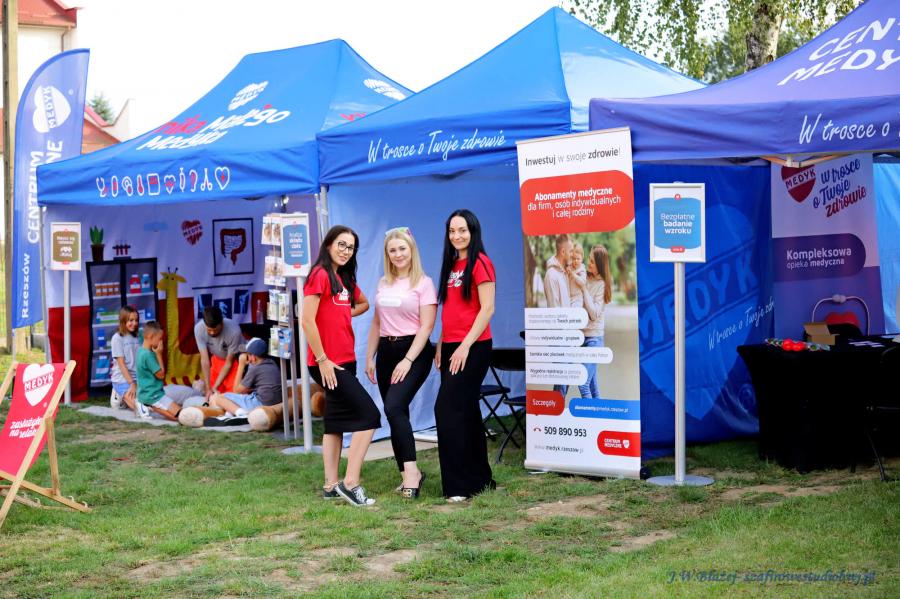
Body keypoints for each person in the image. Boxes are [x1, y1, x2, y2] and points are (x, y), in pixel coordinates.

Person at [302, 225, 380, 507]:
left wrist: (341, 311)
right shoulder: (319, 275)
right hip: (327, 362)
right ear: (328, 244)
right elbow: (307, 321)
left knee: (334, 423)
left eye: (351, 247)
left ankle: (331, 485)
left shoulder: (343, 277)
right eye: (341, 244)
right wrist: (322, 360)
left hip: (346, 359)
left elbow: (364, 303)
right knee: (369, 416)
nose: (346, 251)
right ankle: (351, 483)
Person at [365, 227, 436, 498]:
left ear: (412, 249)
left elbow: (427, 326)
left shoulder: (424, 283)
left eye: (402, 248)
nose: (398, 254)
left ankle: (412, 473)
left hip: (414, 352)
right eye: (392, 250)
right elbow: (376, 322)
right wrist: (370, 356)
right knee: (395, 412)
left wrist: (408, 360)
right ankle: (406, 473)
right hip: (386, 351)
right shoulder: (383, 282)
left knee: (394, 406)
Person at [434, 209, 496, 502]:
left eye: (462, 230)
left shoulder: (480, 262)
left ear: (473, 231)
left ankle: (458, 486)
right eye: (452, 231)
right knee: (467, 411)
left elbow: (487, 309)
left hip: (473, 346)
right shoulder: (451, 265)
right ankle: (480, 480)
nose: (456, 236)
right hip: (451, 345)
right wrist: (441, 343)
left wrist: (464, 346)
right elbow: (452, 310)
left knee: (446, 410)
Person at [179, 337, 281, 427]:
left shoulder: (255, 369)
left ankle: (241, 414)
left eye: (248, 355)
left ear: (253, 357)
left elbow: (236, 390)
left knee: (218, 397)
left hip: (259, 403)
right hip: (272, 402)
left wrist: (241, 365)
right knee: (231, 398)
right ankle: (230, 414)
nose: (246, 357)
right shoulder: (272, 363)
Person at [136, 321, 205, 420]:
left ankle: (146, 405)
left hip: (147, 394)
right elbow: (161, 375)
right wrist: (159, 354)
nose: (161, 342)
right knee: (183, 417)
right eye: (159, 339)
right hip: (154, 395)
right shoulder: (148, 355)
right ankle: (148, 405)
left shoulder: (140, 351)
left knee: (178, 416)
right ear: (151, 336)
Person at [569, 244, 612, 399]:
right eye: (589, 259)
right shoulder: (584, 276)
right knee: (593, 386)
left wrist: (584, 288)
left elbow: (594, 314)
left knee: (583, 382)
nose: (588, 263)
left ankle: (589, 413)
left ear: (600, 264)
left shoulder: (603, 284)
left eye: (592, 261)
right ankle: (598, 412)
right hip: (582, 338)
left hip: (594, 339)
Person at [194, 305, 244, 398]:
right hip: (217, 360)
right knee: (212, 393)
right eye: (209, 330)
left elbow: (229, 363)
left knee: (233, 396)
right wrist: (209, 388)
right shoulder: (198, 329)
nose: (212, 333)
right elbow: (204, 360)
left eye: (215, 330)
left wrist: (215, 386)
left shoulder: (234, 331)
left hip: (235, 361)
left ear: (222, 323)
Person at [110, 306, 141, 411]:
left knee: (151, 404)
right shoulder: (117, 338)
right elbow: (122, 364)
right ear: (123, 321)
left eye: (136, 320)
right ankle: (118, 395)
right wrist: (131, 383)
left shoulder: (138, 336)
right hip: (122, 379)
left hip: (138, 378)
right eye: (131, 320)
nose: (134, 323)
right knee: (140, 409)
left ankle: (125, 398)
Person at [544, 234, 572, 308]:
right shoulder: (551, 275)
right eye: (570, 251)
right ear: (563, 252)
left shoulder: (565, 272)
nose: (572, 255)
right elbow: (554, 310)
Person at [567, 242, 587, 308]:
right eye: (574, 258)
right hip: (569, 297)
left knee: (575, 311)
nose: (576, 261)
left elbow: (583, 282)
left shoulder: (582, 269)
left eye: (578, 259)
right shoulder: (570, 267)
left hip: (577, 298)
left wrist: (574, 275)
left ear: (582, 259)